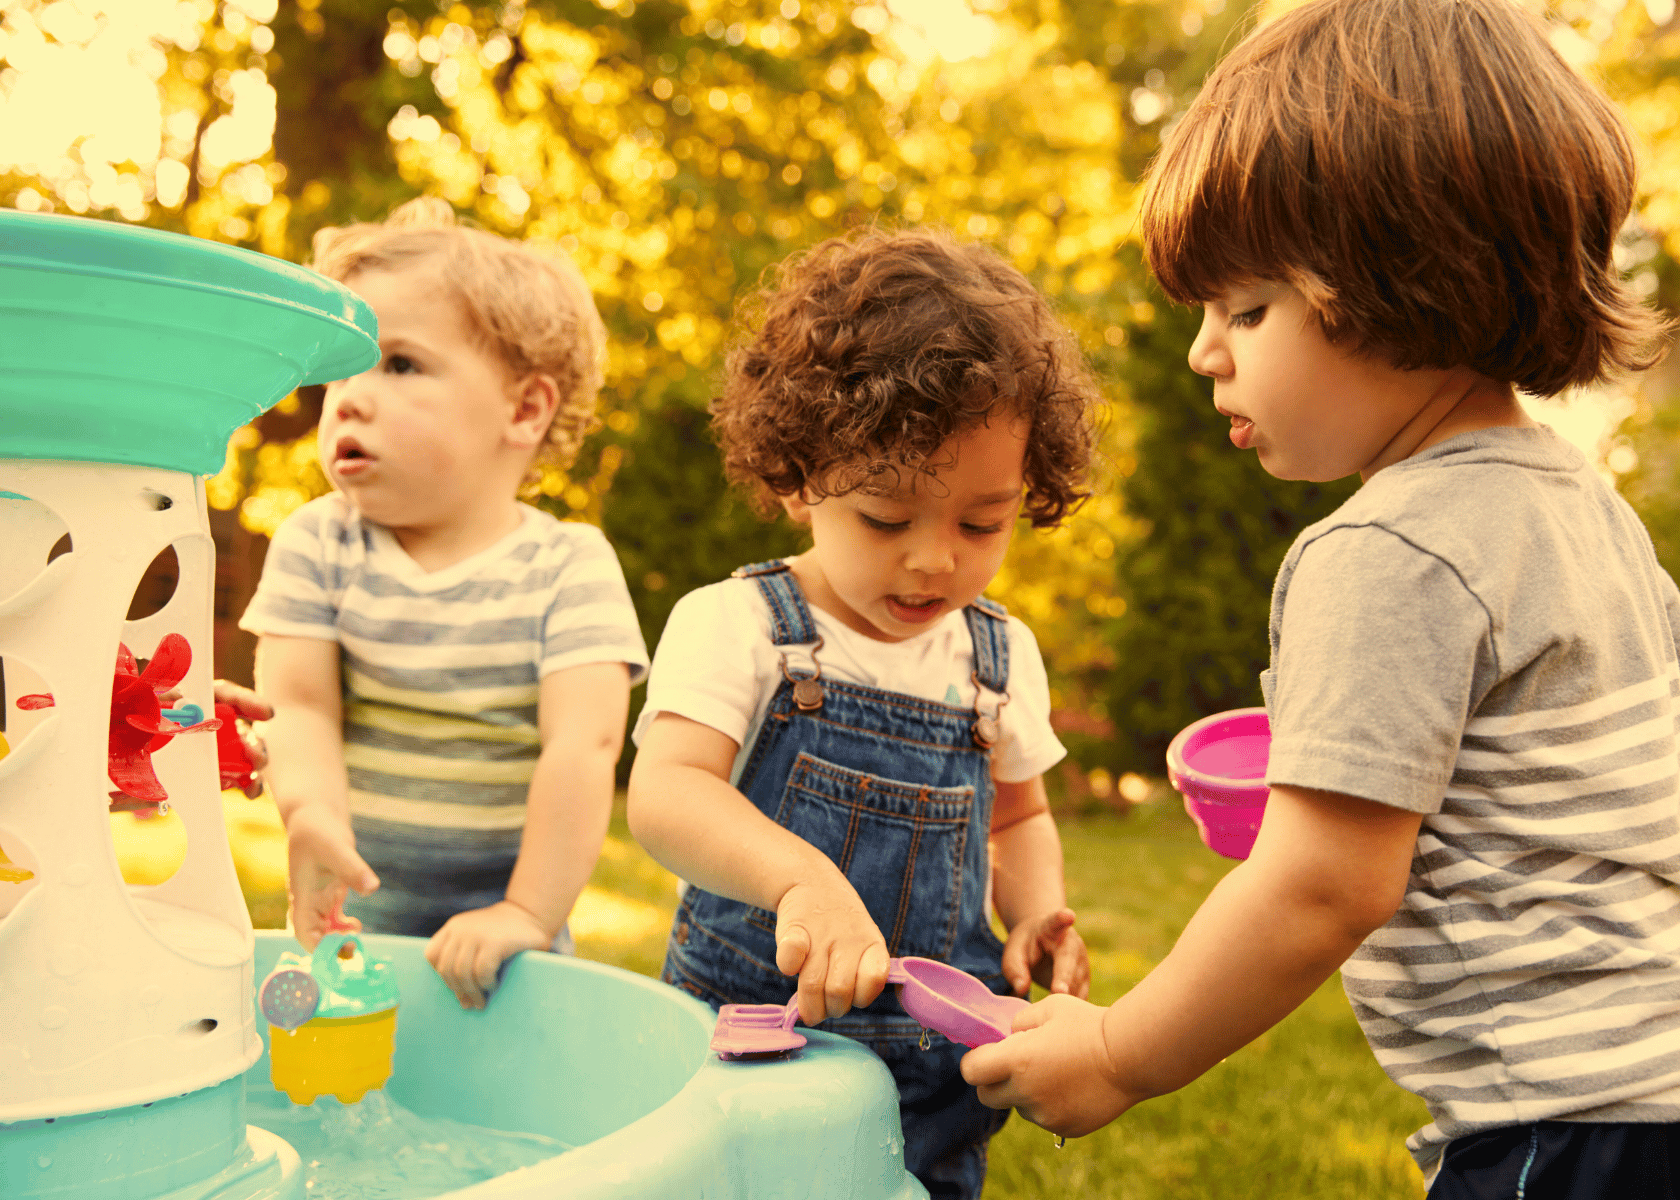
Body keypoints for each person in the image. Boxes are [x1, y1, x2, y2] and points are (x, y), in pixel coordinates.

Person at [961, 1, 1680, 1195]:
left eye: (1248, 308)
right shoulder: (1582, 506)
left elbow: (1322, 884)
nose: (1206, 351)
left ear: (1408, 284)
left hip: (1566, 1125)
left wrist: (1118, 1055)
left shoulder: (1389, 546)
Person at [627, 227, 1097, 1200]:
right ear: (800, 477)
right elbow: (667, 795)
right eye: (886, 519)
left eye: (982, 522)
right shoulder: (741, 626)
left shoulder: (996, 658)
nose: (935, 560)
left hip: (930, 1072)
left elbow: (1019, 815)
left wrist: (1037, 912)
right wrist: (800, 882)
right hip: (754, 1048)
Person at [240, 198, 648, 1010]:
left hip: (508, 952)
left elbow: (584, 744)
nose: (348, 399)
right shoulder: (318, 543)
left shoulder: (567, 565)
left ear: (524, 409)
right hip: (356, 927)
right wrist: (310, 812)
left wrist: (526, 912)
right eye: (340, 370)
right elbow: (300, 706)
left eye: (398, 365)